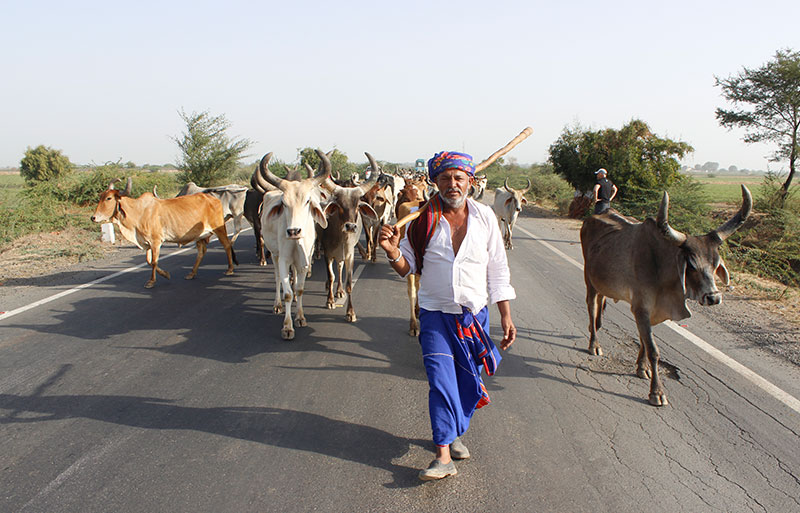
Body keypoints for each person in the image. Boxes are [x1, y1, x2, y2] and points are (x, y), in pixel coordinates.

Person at [378, 151, 517, 481]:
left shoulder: (485, 218)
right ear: (434, 182)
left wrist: (506, 316)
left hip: (474, 317)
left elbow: (498, 270)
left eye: (458, 178)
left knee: (465, 382)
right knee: (440, 380)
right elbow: (406, 268)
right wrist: (393, 251)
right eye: (445, 178)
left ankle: (453, 432)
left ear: (470, 181)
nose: (452, 184)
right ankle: (443, 454)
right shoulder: (420, 221)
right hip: (435, 315)